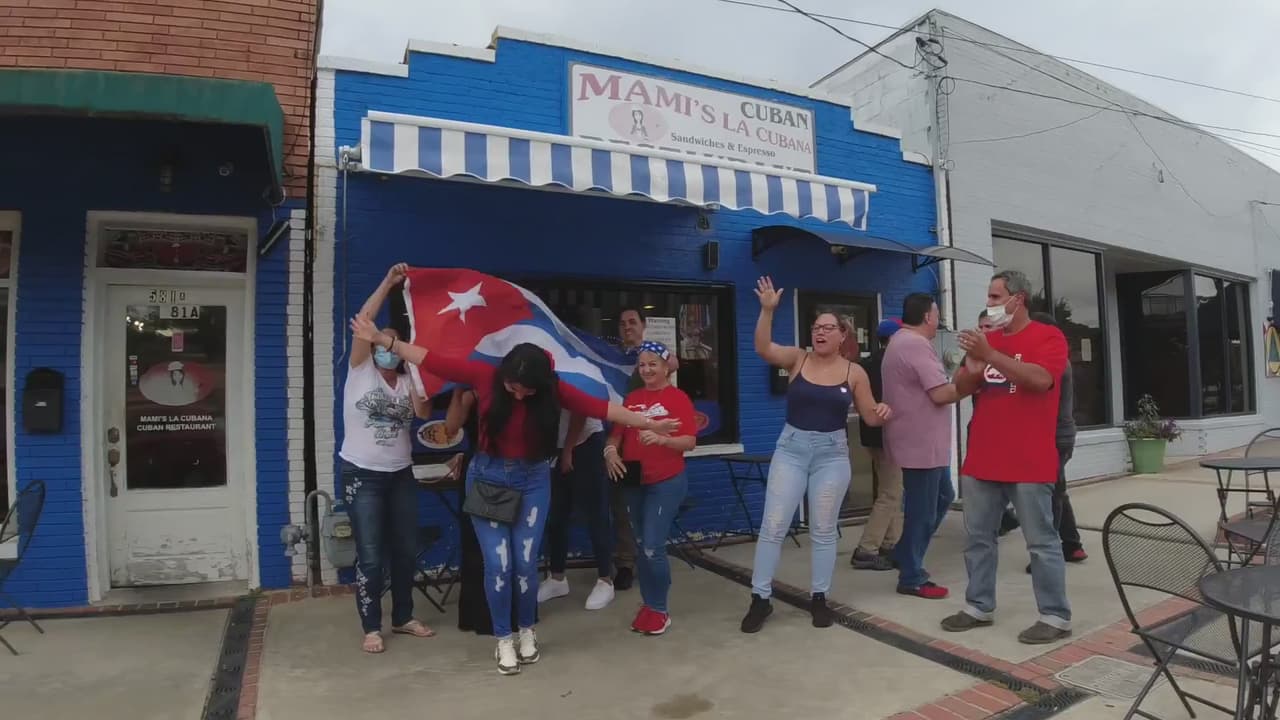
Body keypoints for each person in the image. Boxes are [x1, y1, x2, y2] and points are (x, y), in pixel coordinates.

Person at [350, 316, 680, 675]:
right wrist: (381, 339)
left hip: (534, 479)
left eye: (528, 390)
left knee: (525, 566)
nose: (520, 394)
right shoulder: (482, 375)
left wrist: (649, 423)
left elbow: (603, 409)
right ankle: (503, 640)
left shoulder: (553, 389)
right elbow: (430, 358)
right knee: (499, 565)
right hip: (488, 478)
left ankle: (527, 631)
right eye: (514, 387)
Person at [740, 277, 891, 633]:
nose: (820, 332)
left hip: (831, 455)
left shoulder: (855, 373)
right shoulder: (798, 358)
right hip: (791, 451)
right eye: (816, 327)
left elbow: (869, 416)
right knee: (774, 525)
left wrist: (884, 411)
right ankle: (760, 598)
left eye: (828, 328)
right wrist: (766, 311)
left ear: (843, 335)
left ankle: (819, 598)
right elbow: (763, 348)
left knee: (823, 530)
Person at [942, 270, 1073, 645]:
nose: (991, 304)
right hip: (984, 455)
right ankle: (978, 606)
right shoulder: (988, 340)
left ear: (1019, 299)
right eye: (990, 296)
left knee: (1041, 541)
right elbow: (961, 388)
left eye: (997, 297)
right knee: (979, 537)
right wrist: (972, 364)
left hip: (1029, 459)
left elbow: (1041, 380)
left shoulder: (1049, 336)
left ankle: (1054, 615)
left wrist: (991, 355)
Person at [339, 263, 434, 654]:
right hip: (363, 474)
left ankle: (403, 616)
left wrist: (411, 366)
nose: (385, 349)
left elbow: (425, 415)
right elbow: (365, 320)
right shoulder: (361, 371)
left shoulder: (408, 377)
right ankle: (371, 625)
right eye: (380, 343)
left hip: (400, 474)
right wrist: (388, 282)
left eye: (391, 344)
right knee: (372, 554)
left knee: (405, 549)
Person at [604, 340, 696, 635]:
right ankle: (649, 602)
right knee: (643, 546)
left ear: (666, 367)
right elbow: (615, 434)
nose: (646, 369)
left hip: (666, 481)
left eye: (652, 364)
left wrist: (663, 440)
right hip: (634, 481)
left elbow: (690, 442)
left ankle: (659, 608)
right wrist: (610, 452)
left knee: (653, 546)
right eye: (642, 365)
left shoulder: (678, 398)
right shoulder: (631, 399)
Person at [882, 293, 963, 600]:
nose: (938, 319)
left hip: (920, 442)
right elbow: (941, 394)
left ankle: (903, 552)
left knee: (944, 495)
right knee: (922, 512)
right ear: (928, 316)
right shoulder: (914, 345)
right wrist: (973, 380)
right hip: (921, 444)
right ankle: (912, 576)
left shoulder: (899, 342)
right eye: (937, 313)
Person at [443, 389, 522, 636]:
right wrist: (458, 392)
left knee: (511, 545)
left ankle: (512, 612)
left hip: (513, 466)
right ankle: (479, 615)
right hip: (478, 466)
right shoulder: (468, 393)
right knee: (477, 544)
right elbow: (450, 429)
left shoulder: (517, 390)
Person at [612, 307, 680, 591]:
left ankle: (652, 564)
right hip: (619, 441)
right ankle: (626, 564)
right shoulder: (612, 354)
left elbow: (674, 362)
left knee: (649, 508)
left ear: (643, 325)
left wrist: (646, 350)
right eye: (623, 323)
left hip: (651, 443)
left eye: (632, 322)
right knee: (623, 508)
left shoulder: (651, 353)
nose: (627, 327)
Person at [538, 409, 616, 610]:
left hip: (586, 442)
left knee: (595, 513)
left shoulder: (571, 377)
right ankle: (557, 579)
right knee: (556, 516)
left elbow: (579, 412)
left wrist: (568, 450)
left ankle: (605, 580)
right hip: (557, 447)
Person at [851, 319, 904, 571]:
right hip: (889, 436)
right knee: (890, 493)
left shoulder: (866, 363)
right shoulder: (893, 364)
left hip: (870, 436)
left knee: (890, 489)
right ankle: (867, 549)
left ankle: (891, 543)